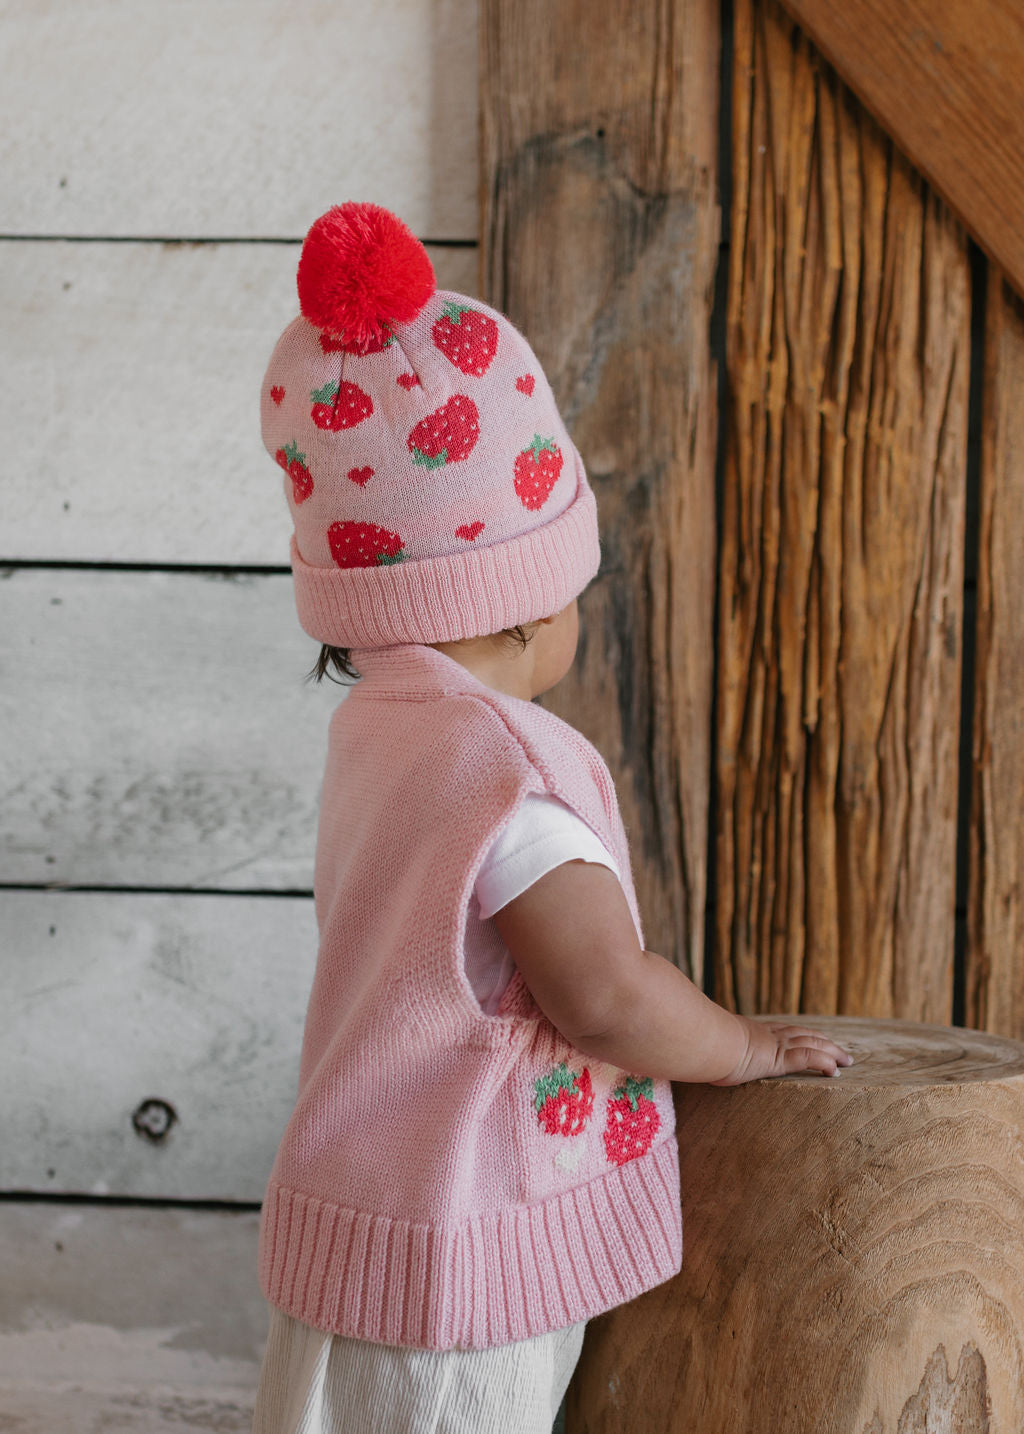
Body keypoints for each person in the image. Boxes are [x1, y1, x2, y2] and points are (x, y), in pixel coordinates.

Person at [250, 201, 852, 1434]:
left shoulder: (381, 731)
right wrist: (739, 1048)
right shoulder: (513, 773)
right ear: (519, 602)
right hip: (464, 1261)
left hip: (359, 1206)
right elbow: (605, 994)